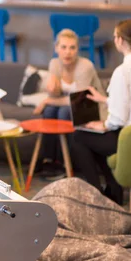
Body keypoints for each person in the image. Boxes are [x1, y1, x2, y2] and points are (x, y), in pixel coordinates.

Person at [73, 19, 131, 205]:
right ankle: (113, 190)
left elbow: (118, 118)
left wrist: (102, 124)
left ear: (119, 40)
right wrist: (104, 99)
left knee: (79, 136)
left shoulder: (123, 71)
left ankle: (96, 196)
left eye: (114, 36)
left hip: (128, 137)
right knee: (96, 141)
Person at [33, 29, 105, 178]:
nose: (68, 52)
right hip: (69, 106)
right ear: (56, 48)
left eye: (72, 48)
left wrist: (47, 100)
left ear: (78, 49)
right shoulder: (54, 63)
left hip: (90, 108)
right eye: (64, 47)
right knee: (49, 111)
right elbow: (56, 95)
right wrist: (52, 90)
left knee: (64, 111)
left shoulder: (85, 66)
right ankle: (48, 160)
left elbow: (77, 100)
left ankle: (63, 162)